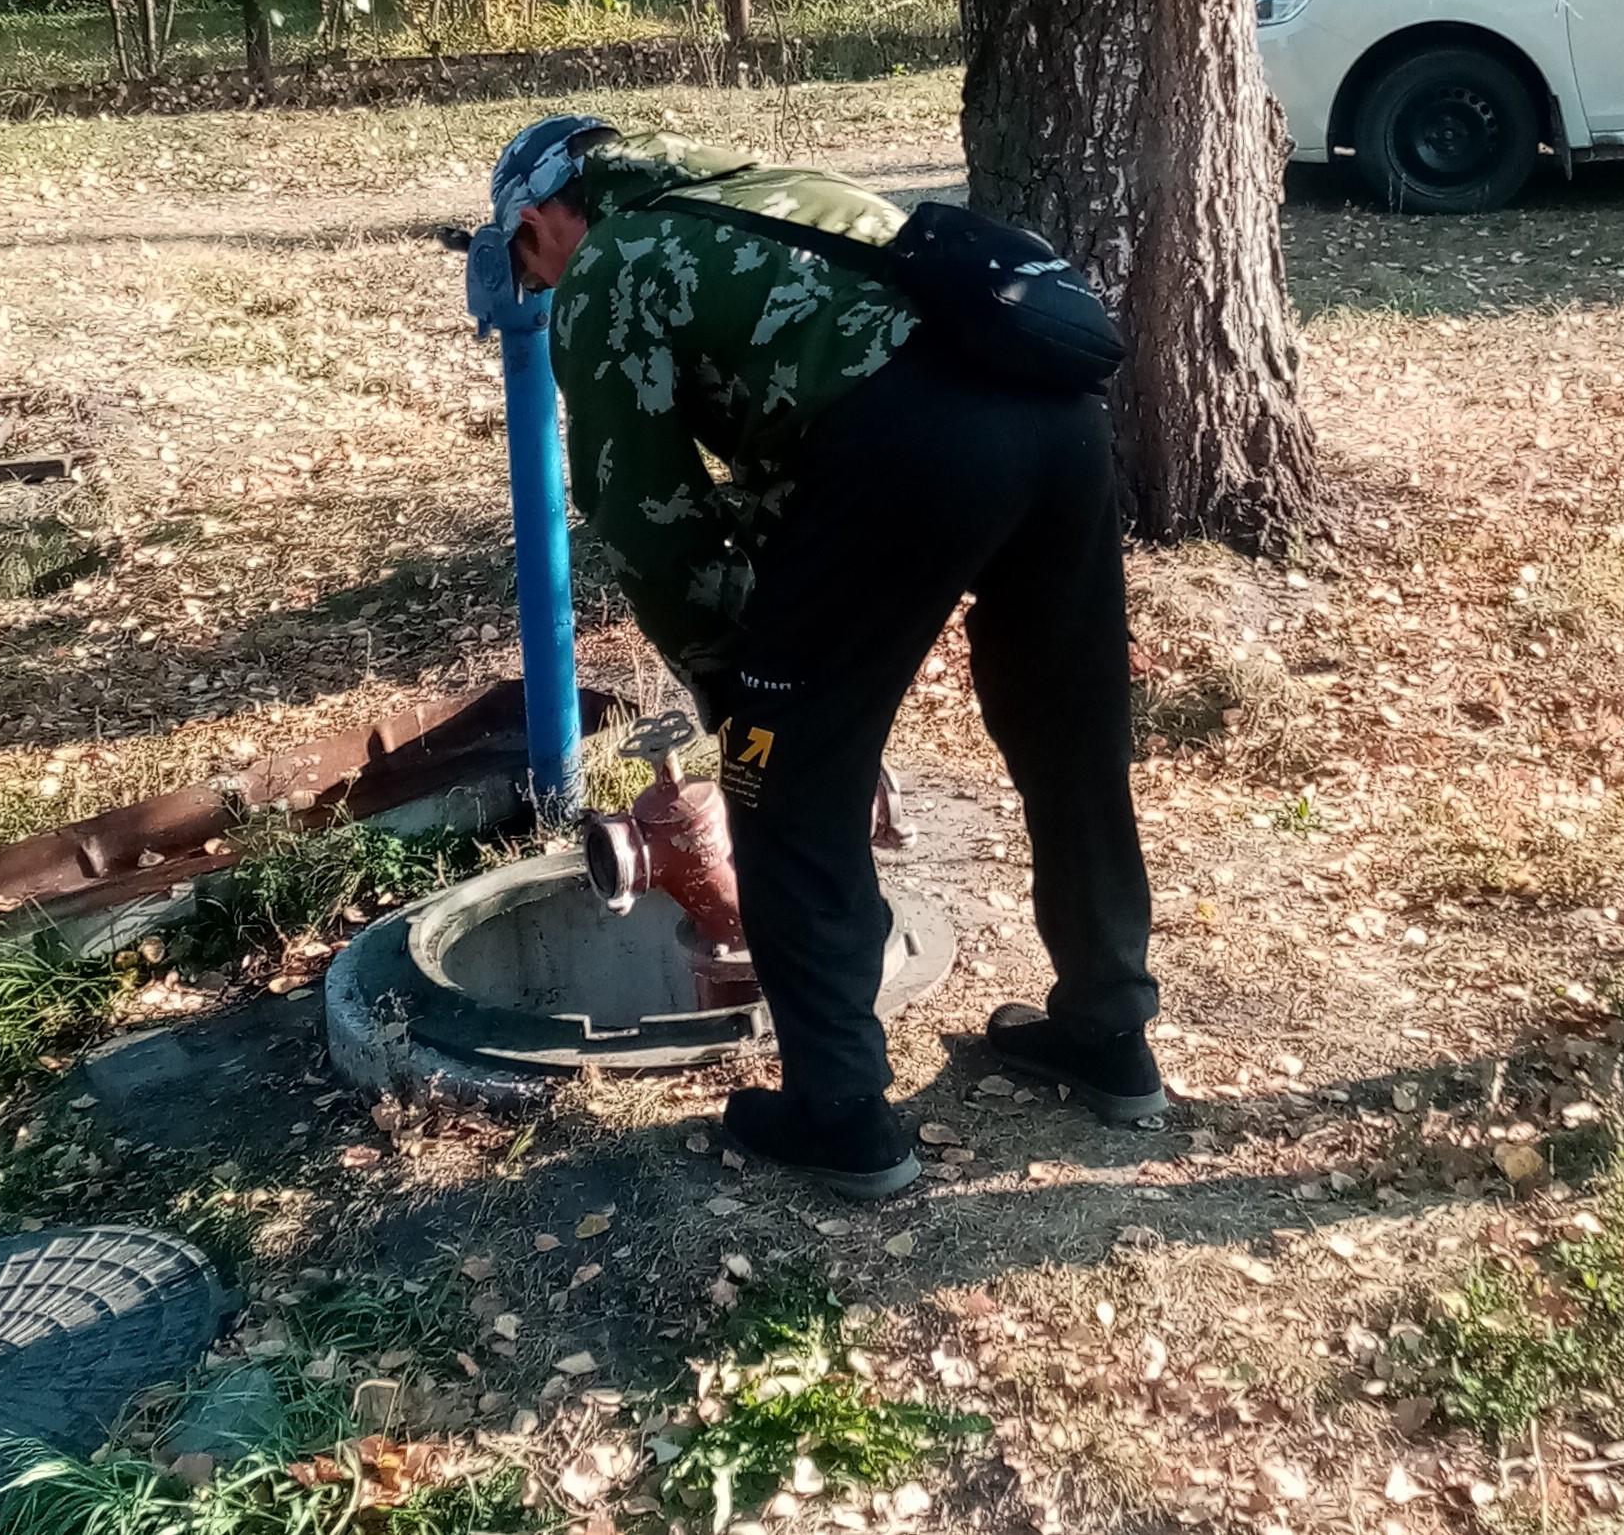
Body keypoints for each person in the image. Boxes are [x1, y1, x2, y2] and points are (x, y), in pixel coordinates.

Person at [485, 117, 1162, 1195]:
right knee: (1066, 736)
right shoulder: (759, 185)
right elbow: (800, 416)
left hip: (913, 446)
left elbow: (645, 513)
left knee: (783, 777)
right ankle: (1108, 1030)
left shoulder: (611, 261)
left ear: (537, 223)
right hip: (1057, 428)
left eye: (526, 264)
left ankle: (838, 1109)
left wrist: (731, 685)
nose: (538, 286)